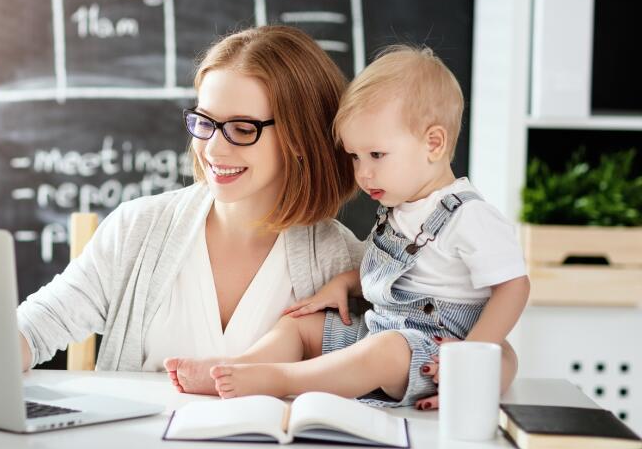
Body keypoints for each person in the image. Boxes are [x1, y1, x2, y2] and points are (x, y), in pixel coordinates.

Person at [165, 46, 528, 408]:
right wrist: (345, 283)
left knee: (384, 351)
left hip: (431, 351)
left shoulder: (469, 216)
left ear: (433, 143)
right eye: (355, 156)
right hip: (380, 329)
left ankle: (280, 379)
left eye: (376, 156)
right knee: (301, 326)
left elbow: (514, 287)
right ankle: (238, 367)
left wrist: (471, 359)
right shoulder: (398, 210)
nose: (363, 173)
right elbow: (396, 273)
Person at [16, 25, 362, 373]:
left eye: (242, 129)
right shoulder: (136, 229)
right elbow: (37, 325)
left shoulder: (342, 262)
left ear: (301, 138)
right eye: (205, 121)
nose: (213, 149)